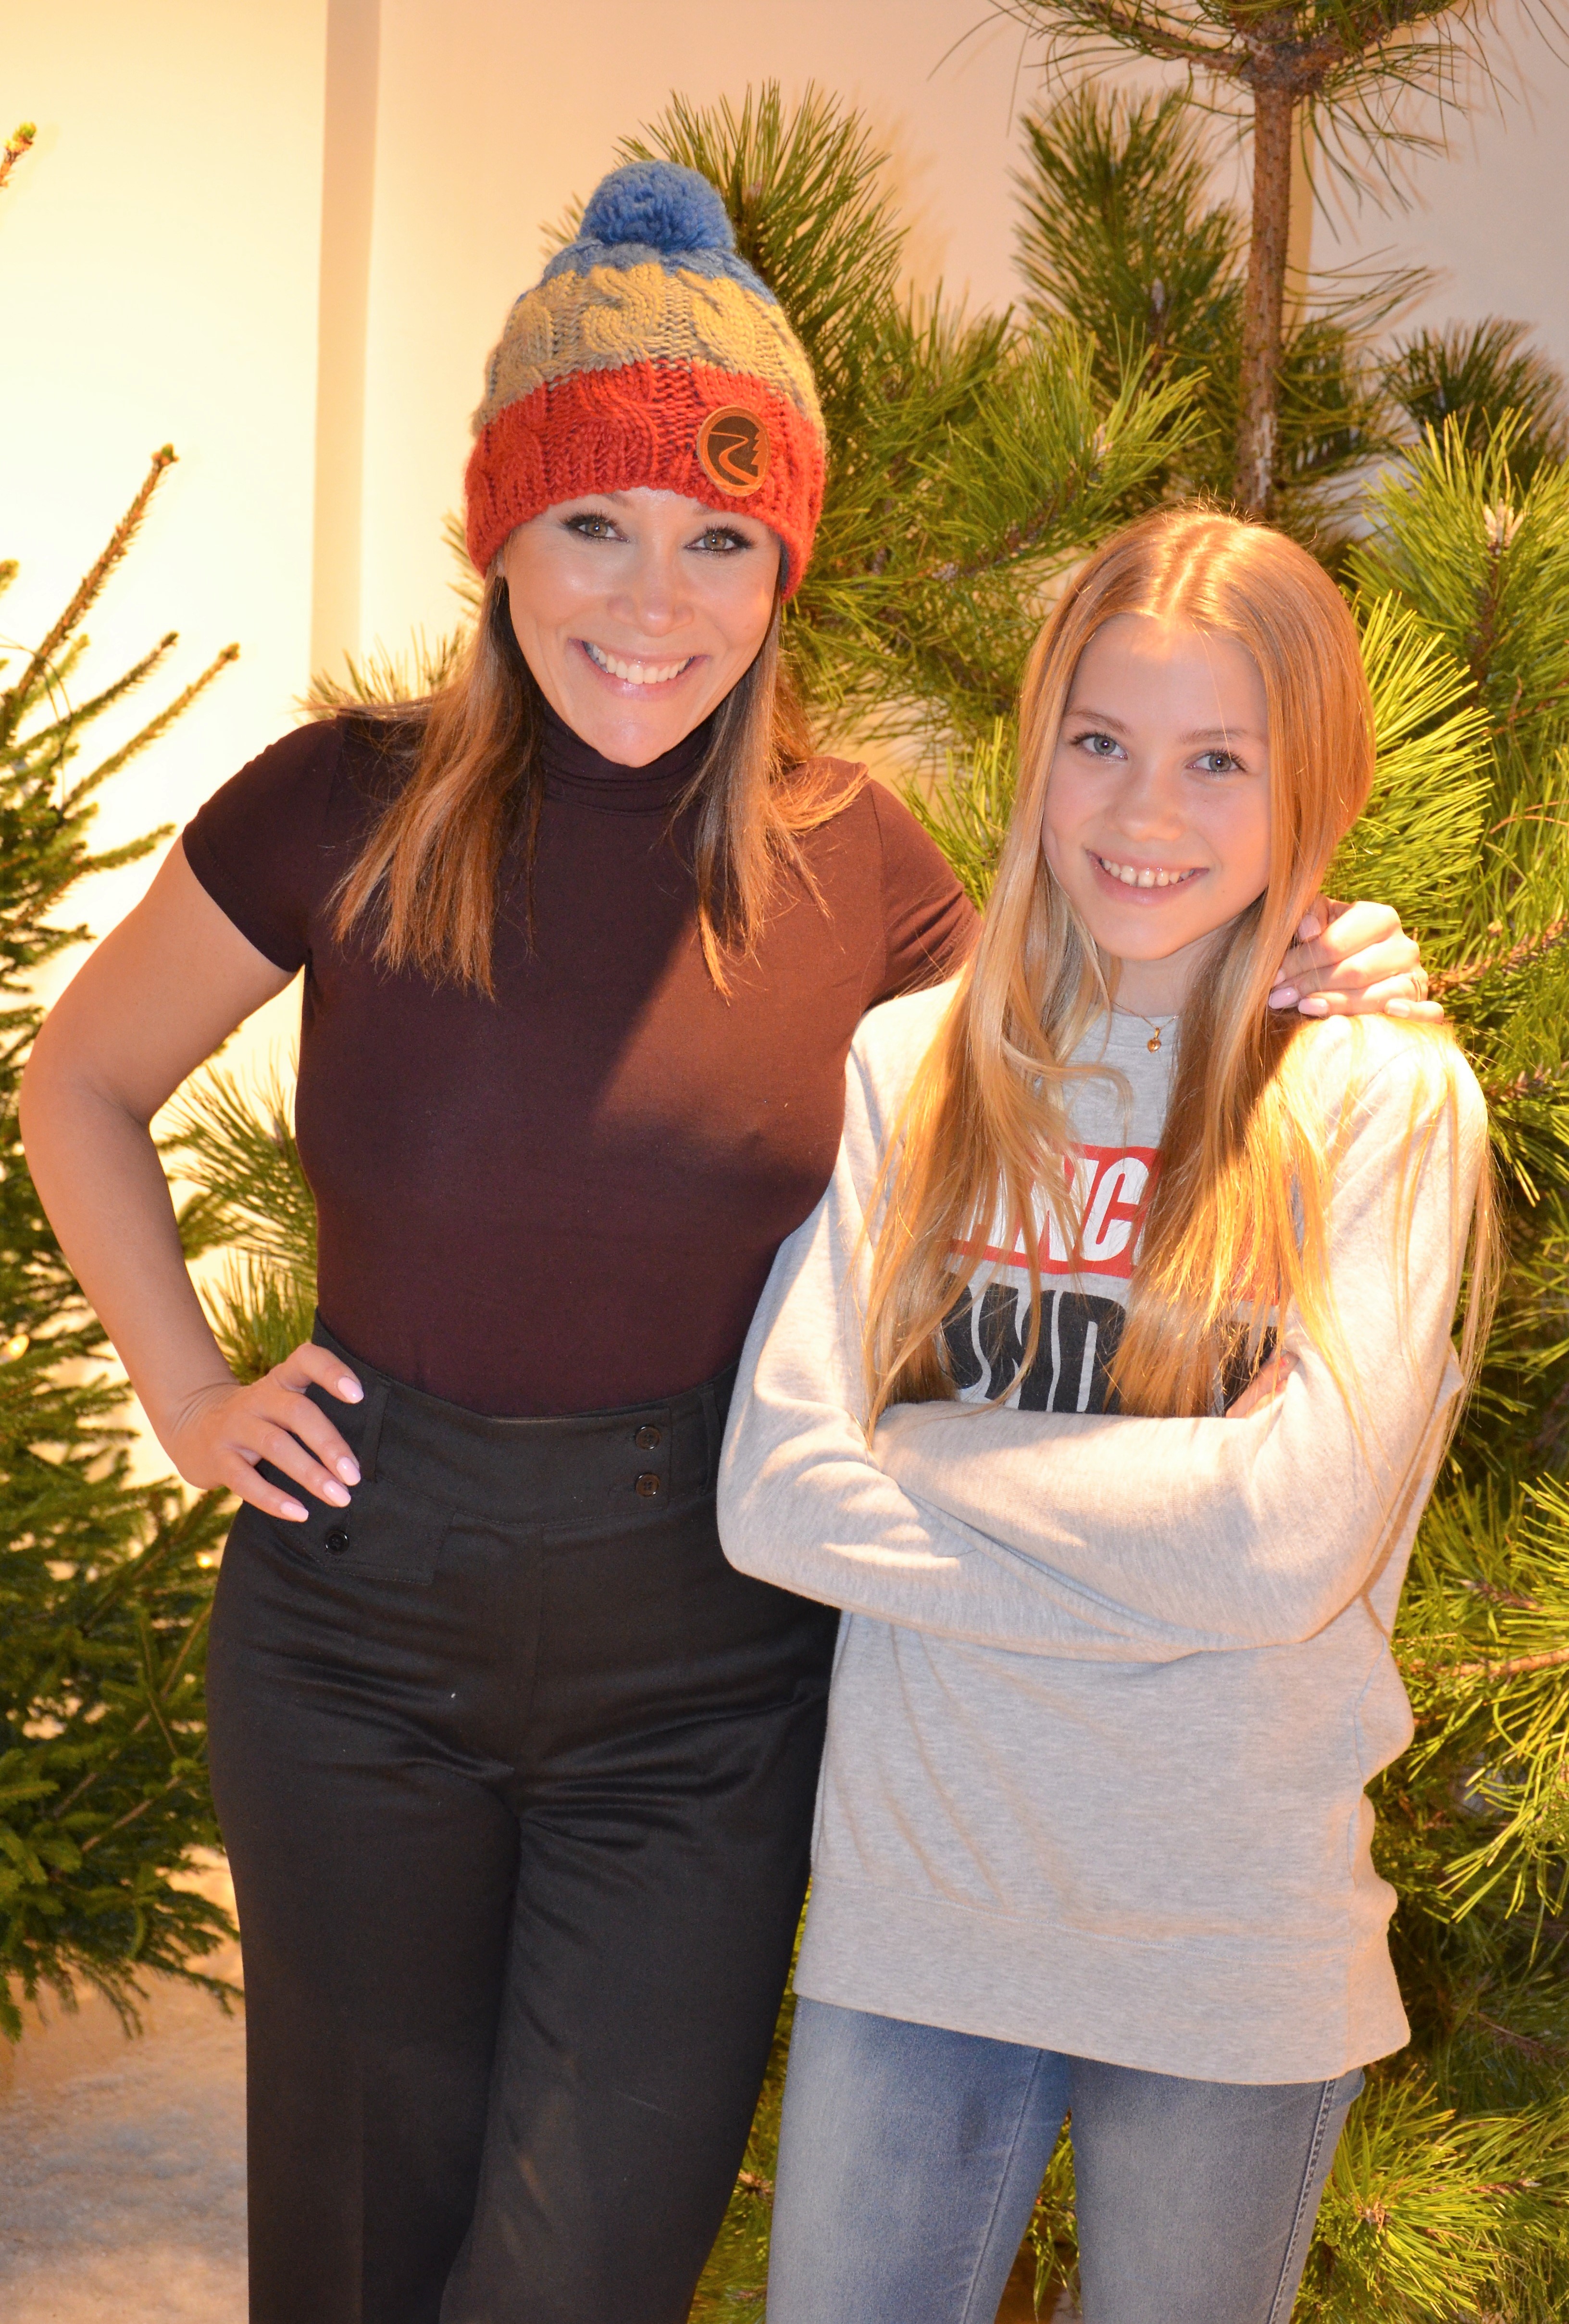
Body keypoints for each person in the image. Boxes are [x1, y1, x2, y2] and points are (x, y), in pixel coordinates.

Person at [20, 154, 1428, 2324]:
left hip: (709, 1674)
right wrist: (188, 1389)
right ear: (500, 533)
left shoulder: (858, 860)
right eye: (593, 523)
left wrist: (1326, 961)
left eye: (719, 539)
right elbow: (79, 1081)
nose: (652, 601)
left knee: (587, 2264)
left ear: (784, 568)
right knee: (356, 2249)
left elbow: (1095, 1014)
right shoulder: (342, 805)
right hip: (353, 1632)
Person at [719, 508, 1492, 2324]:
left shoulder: (1381, 1101)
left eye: (1220, 758)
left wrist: (929, 1449)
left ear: (1313, 784)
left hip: (1229, 1943)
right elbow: (777, 1495)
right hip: (920, 1919)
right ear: (1039, 752)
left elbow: (1286, 1545)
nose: (1147, 811)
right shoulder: (915, 1066)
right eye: (1101, 741)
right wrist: (1181, 1560)